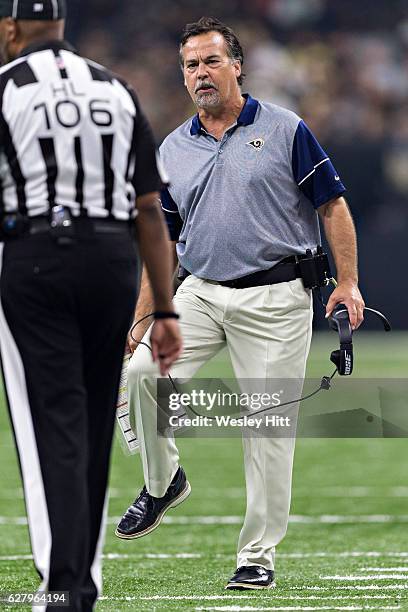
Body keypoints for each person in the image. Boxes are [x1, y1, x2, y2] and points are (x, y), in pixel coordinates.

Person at [116, 17, 365, 590]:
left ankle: (257, 555)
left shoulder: (284, 129)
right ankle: (163, 483)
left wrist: (346, 283)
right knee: (142, 376)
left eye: (210, 61)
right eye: (190, 65)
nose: (201, 74)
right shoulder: (172, 149)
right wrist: (142, 314)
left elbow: (333, 206)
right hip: (199, 293)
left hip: (277, 297)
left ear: (237, 65)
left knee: (268, 428)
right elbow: (165, 240)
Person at [0, 1, 182, 610]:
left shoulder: (6, 89)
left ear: (9, 29)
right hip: (111, 261)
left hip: (34, 257)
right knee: (95, 425)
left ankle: (62, 583)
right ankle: (81, 582)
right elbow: (150, 208)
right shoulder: (116, 89)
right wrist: (164, 311)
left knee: (47, 421)